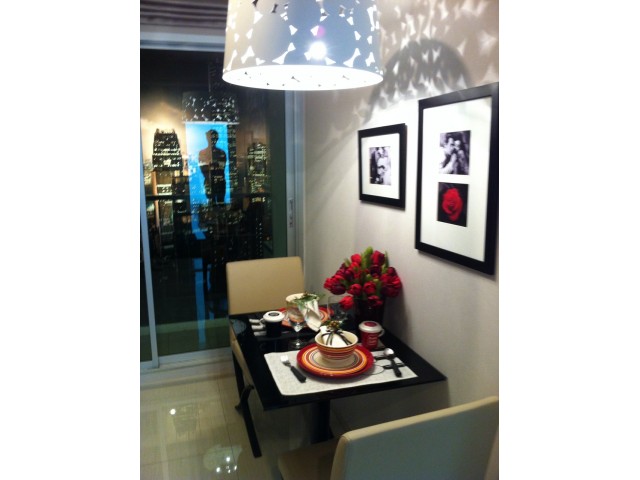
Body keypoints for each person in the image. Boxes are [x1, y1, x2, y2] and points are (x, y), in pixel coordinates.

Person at [199, 129, 227, 204]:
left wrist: (211, 166)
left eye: (214, 138)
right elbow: (203, 169)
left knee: (219, 203)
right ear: (207, 138)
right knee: (213, 203)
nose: (212, 140)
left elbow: (222, 168)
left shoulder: (221, 152)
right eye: (211, 137)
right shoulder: (202, 153)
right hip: (211, 182)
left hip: (219, 183)